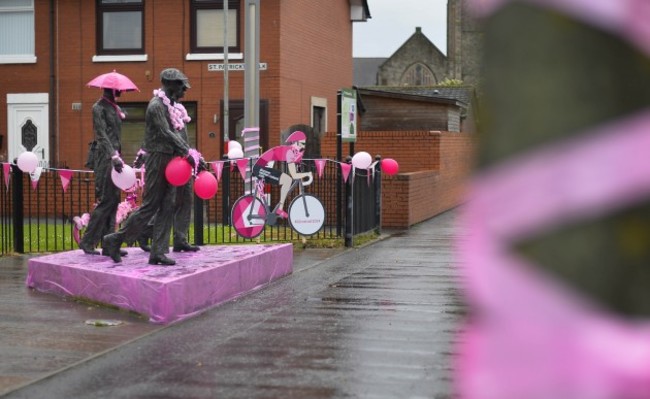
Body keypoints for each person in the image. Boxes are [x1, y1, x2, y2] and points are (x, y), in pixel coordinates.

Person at [103, 68, 194, 265]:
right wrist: (186, 152)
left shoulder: (170, 106)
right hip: (158, 160)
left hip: (169, 159)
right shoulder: (156, 106)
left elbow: (176, 134)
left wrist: (187, 153)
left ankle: (158, 252)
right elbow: (165, 133)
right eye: (181, 86)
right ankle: (115, 239)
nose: (184, 91)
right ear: (169, 84)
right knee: (151, 206)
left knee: (167, 206)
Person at [78, 88, 129, 257]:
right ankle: (88, 240)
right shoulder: (98, 107)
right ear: (111, 89)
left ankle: (109, 244)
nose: (122, 91)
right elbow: (101, 135)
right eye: (119, 89)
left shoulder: (114, 107)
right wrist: (113, 156)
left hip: (115, 158)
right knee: (106, 201)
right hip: (105, 158)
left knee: (114, 201)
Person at [252, 131, 312, 218]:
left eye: (305, 144)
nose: (304, 146)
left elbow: (296, 167)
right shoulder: (290, 152)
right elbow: (294, 175)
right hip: (260, 169)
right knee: (287, 180)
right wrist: (307, 174)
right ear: (296, 142)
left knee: (287, 179)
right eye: (302, 143)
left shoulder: (292, 151)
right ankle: (279, 209)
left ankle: (279, 209)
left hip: (263, 167)